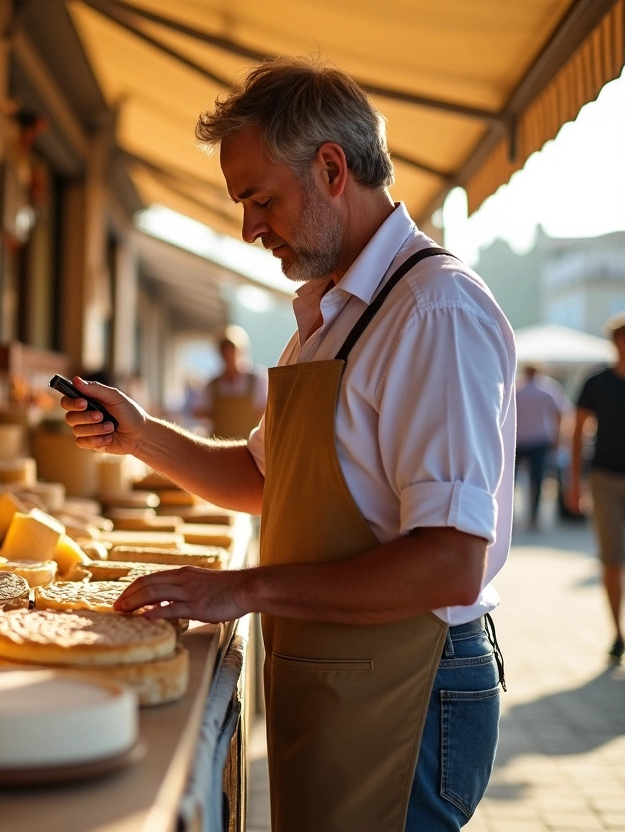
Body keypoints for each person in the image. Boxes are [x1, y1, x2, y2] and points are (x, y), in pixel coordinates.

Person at [57, 56, 514, 832]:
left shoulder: (432, 311)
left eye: (260, 198)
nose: (248, 228)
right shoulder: (336, 313)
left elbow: (450, 558)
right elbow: (265, 477)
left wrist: (241, 588)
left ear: (332, 168)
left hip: (412, 682)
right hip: (346, 670)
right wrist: (141, 436)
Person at [565, 311, 625, 660]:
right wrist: (575, 483)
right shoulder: (597, 382)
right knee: (611, 557)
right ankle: (617, 632)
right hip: (604, 478)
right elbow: (578, 433)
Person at [514, 364, 569, 530]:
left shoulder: (516, 389)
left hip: (520, 440)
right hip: (539, 440)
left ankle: (511, 517)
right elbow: (560, 413)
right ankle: (533, 517)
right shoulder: (548, 389)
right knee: (537, 480)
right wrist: (557, 437)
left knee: (513, 481)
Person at [190, 324, 268, 439]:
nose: (228, 355)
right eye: (224, 351)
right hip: (220, 442)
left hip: (247, 443)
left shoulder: (256, 380)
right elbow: (198, 410)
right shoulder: (212, 385)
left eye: (231, 350)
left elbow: (263, 410)